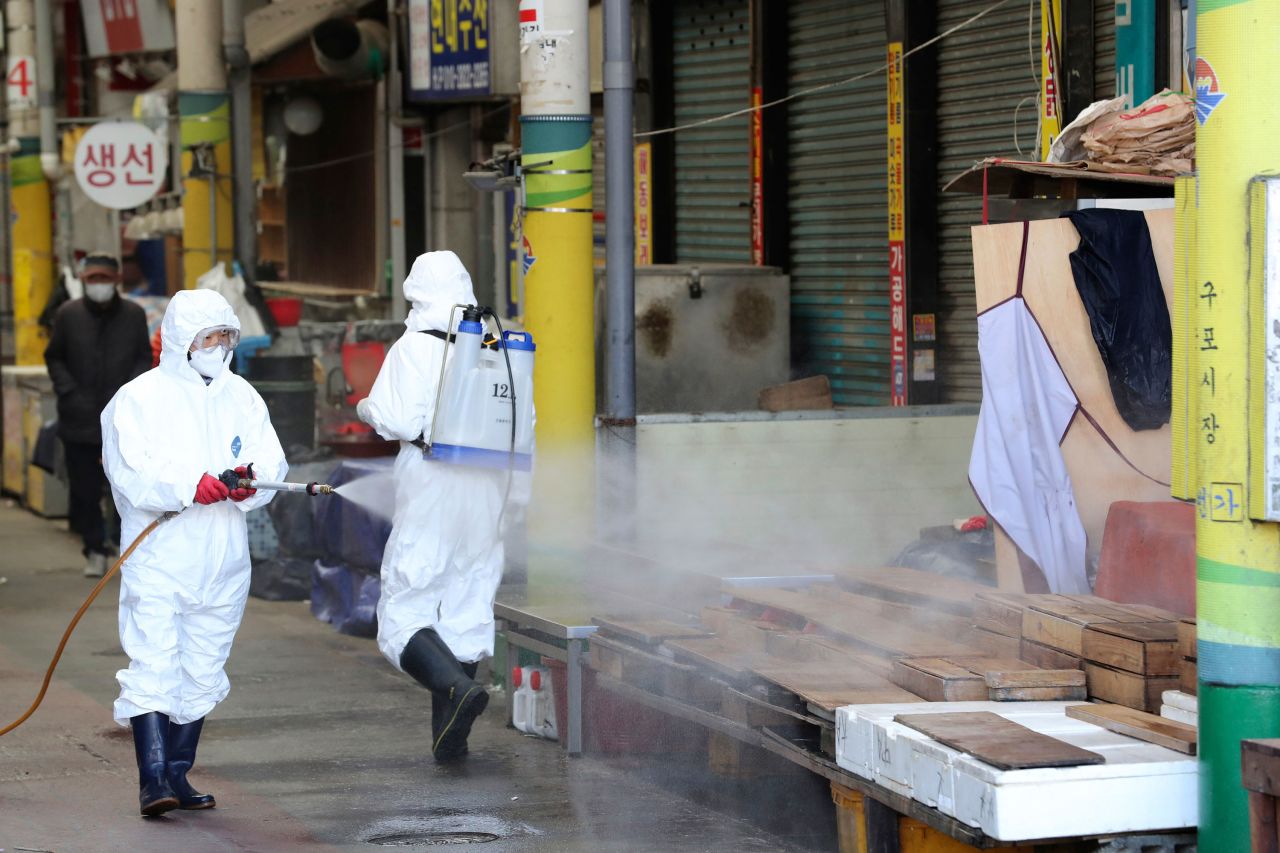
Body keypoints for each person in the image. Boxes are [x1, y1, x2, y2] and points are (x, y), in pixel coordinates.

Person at [100, 289, 287, 816]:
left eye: (226, 337)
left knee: (203, 665)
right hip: (160, 552)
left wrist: (255, 483)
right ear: (183, 341)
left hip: (222, 557)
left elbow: (269, 459)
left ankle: (179, 775)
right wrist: (190, 484)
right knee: (155, 661)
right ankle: (152, 779)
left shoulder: (242, 396)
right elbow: (131, 471)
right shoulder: (138, 399)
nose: (219, 347)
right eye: (209, 338)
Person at [356, 251, 524, 762]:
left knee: (405, 610)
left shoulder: (414, 347)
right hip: (490, 487)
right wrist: (519, 499)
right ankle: (451, 737)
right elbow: (523, 426)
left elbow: (395, 418)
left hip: (433, 482)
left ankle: (456, 692)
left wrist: (367, 407)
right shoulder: (501, 347)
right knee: (467, 605)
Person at [44, 252, 152, 577]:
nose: (99, 285)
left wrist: (131, 395)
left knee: (123, 490)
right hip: (79, 419)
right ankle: (93, 548)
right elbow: (55, 358)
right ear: (83, 280)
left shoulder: (133, 315)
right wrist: (69, 391)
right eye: (93, 279)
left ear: (117, 279)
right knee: (85, 491)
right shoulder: (68, 314)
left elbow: (143, 357)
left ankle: (123, 549)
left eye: (105, 278)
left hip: (123, 423)